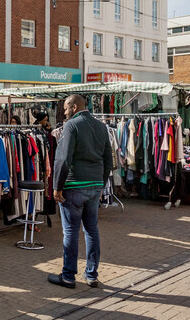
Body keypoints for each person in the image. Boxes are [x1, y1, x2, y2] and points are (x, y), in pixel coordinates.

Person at [48, 94, 113, 289]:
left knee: (71, 232)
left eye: (66, 108)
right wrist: (100, 185)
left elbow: (63, 159)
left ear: (75, 107)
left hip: (74, 186)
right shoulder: (101, 127)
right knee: (92, 231)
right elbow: (108, 160)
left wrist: (57, 187)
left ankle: (68, 276)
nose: (65, 112)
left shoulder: (71, 126)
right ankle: (91, 275)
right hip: (94, 186)